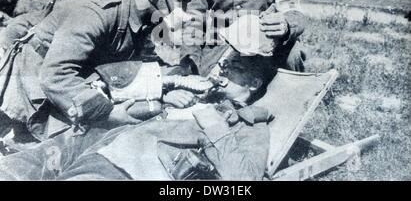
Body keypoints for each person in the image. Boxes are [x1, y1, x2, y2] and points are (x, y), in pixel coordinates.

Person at [0, 25, 275, 180]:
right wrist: (165, 97)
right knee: (12, 171)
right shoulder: (193, 95)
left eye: (235, 66)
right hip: (91, 146)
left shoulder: (251, 126)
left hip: (124, 170)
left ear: (254, 83)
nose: (222, 69)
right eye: (224, 63)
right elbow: (130, 111)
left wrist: (208, 115)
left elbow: (243, 181)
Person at [0, 0, 200, 143]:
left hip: (76, 82)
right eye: (182, 1)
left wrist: (164, 91)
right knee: (45, 157)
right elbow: (56, 75)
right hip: (34, 85)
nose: (185, 11)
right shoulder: (97, 12)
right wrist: (108, 113)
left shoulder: (145, 16)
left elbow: (137, 67)